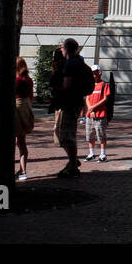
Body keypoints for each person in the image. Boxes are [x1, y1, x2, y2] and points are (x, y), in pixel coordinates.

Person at [52, 38, 94, 178]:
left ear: (66, 49)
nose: (61, 50)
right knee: (63, 134)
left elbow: (66, 85)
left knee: (66, 135)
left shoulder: (71, 64)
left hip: (69, 104)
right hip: (75, 103)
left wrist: (56, 88)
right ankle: (72, 161)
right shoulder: (79, 63)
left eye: (62, 48)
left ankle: (73, 166)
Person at [84, 65, 111, 162]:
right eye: (91, 73)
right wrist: (90, 109)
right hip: (90, 115)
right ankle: (91, 154)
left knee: (101, 135)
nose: (93, 74)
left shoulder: (104, 84)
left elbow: (105, 99)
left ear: (99, 72)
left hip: (100, 114)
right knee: (90, 135)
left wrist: (93, 107)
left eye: (94, 72)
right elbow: (87, 98)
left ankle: (103, 155)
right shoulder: (89, 85)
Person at [14, 57, 35, 181]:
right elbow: (31, 97)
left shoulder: (16, 80)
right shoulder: (28, 80)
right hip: (26, 108)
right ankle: (23, 170)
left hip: (17, 108)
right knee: (22, 142)